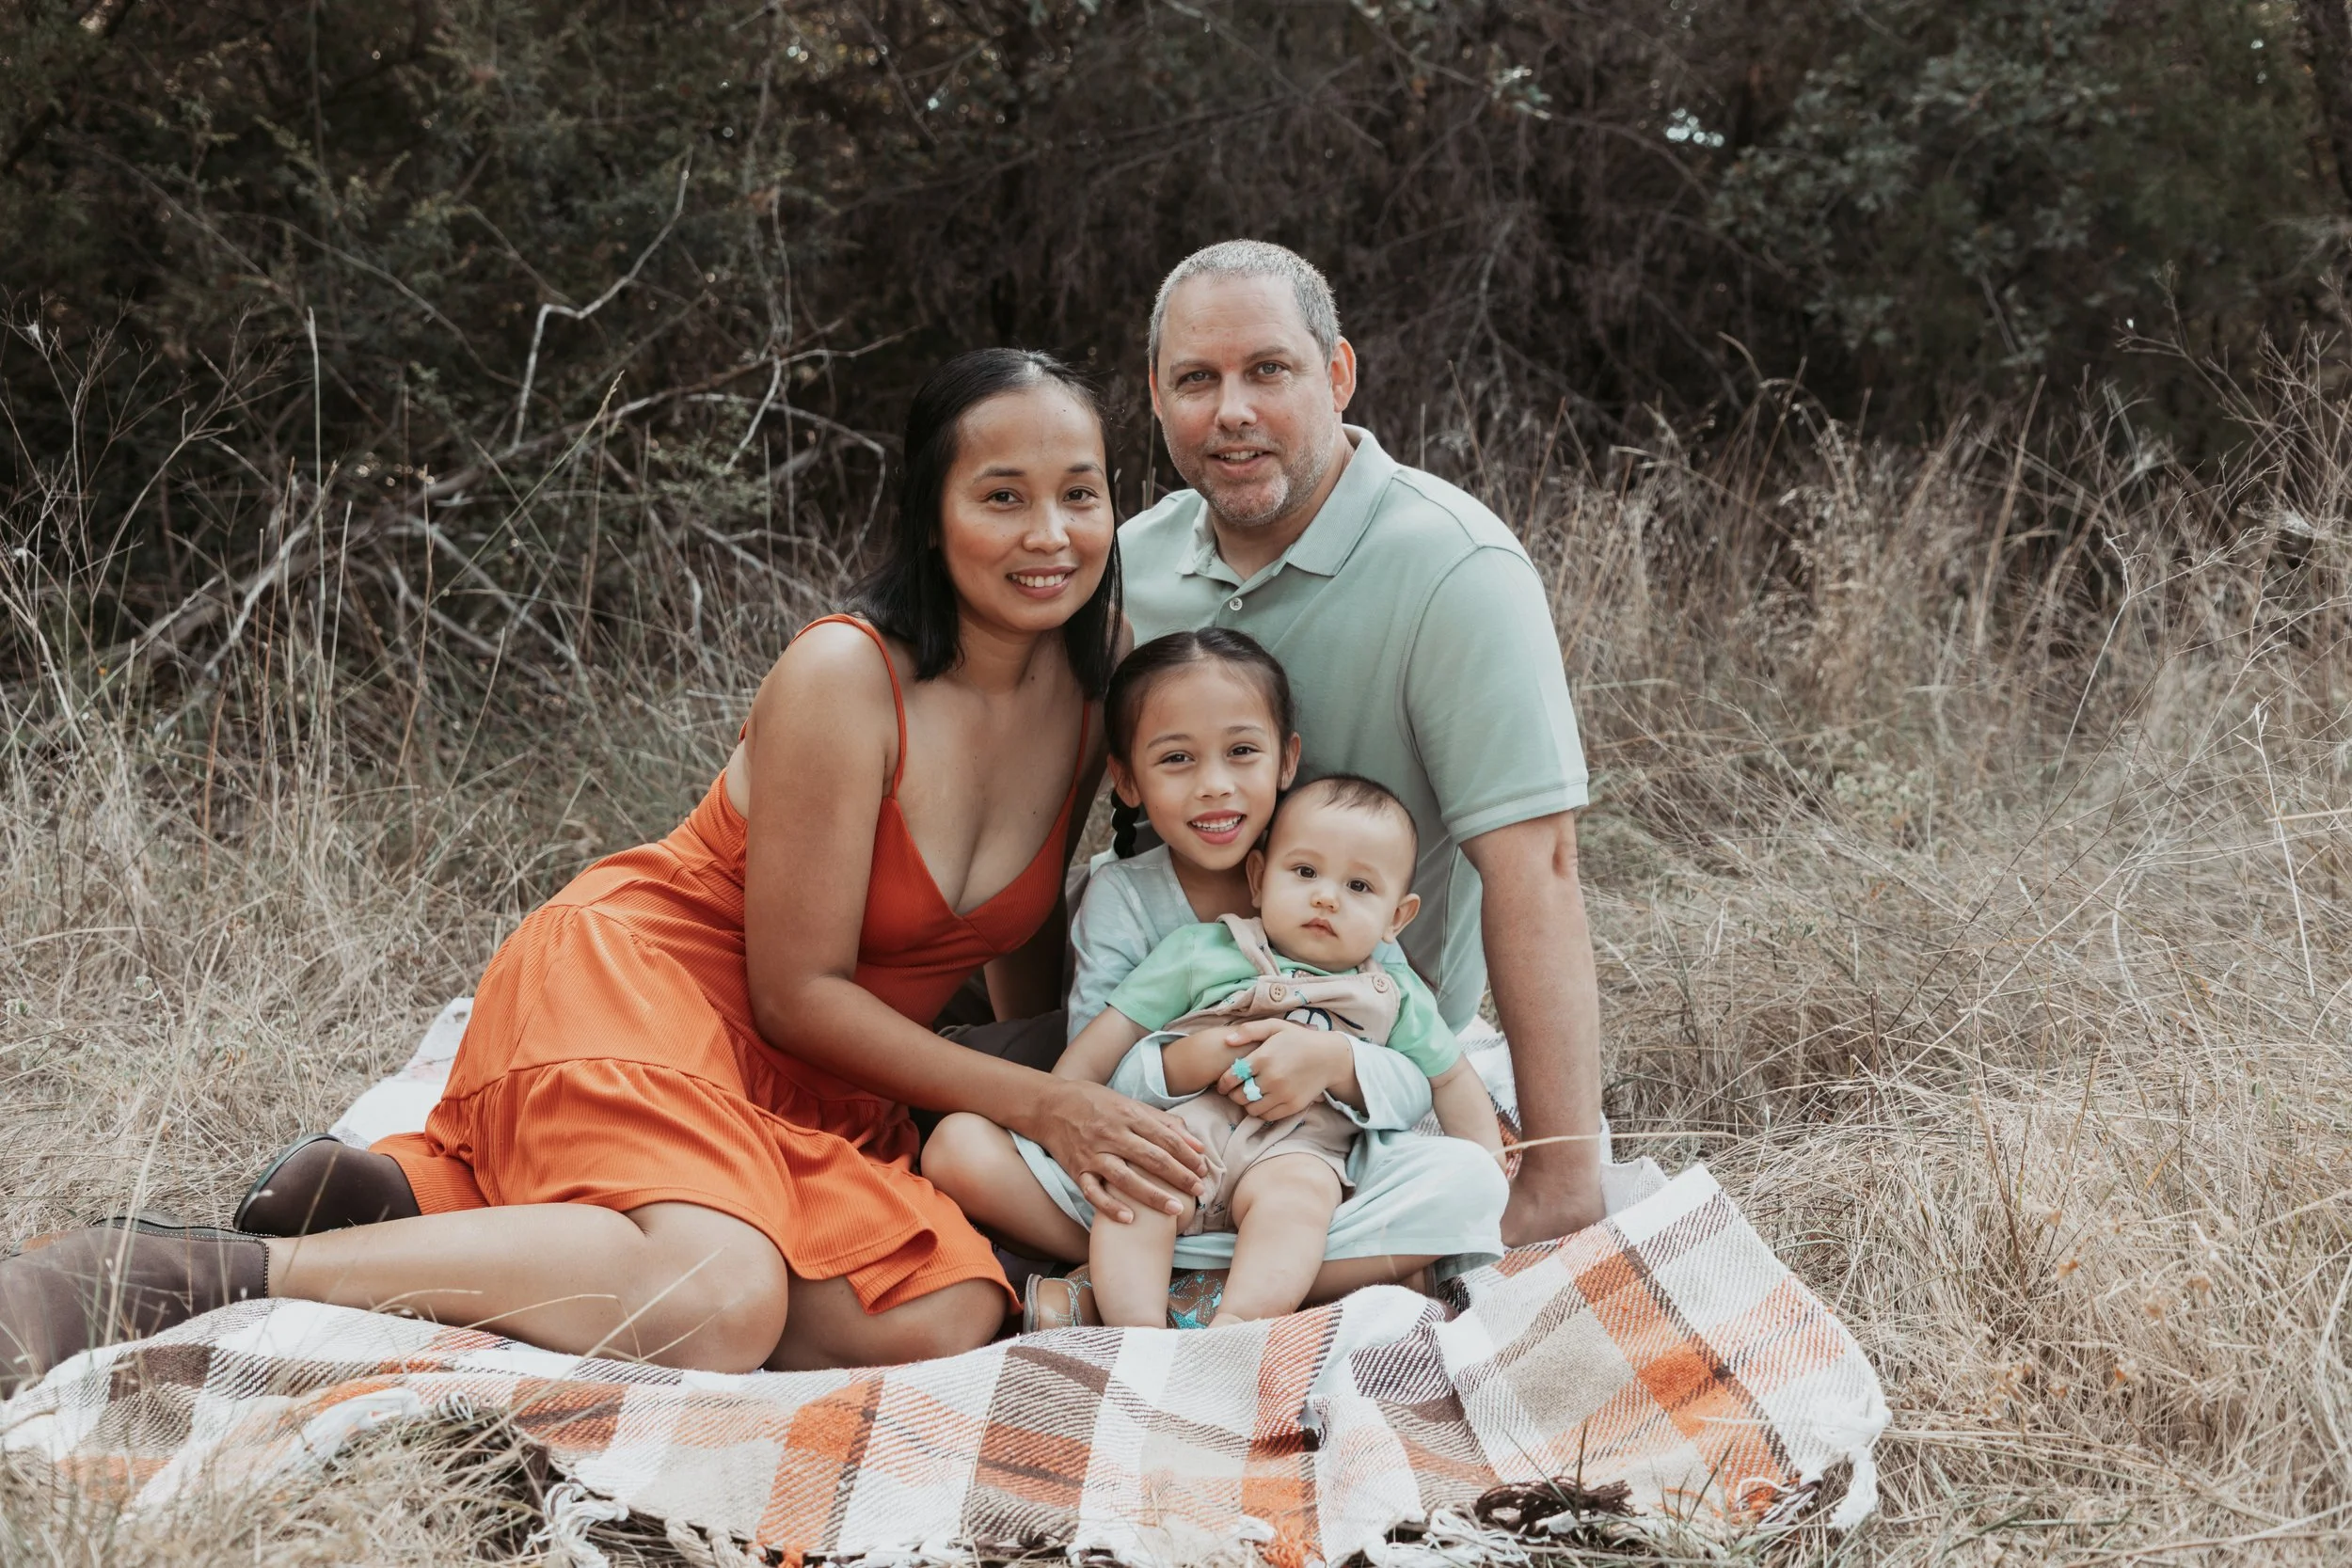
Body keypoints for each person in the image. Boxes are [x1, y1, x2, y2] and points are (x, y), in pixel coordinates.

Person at [0, 348, 1214, 1396]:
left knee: (942, 1311)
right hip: (655, 982)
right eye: (1002, 496)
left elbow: (1016, 947)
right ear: (931, 509)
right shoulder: (848, 677)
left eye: (1080, 495)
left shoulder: (1095, 672)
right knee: (724, 1302)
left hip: (812, 1084)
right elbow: (795, 990)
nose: (1049, 537)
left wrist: (1066, 1092)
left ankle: (433, 1213)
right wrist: (1039, 1103)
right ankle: (196, 1270)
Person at [1120, 240, 1607, 1244]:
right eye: (1196, 380)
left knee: (1437, 1204)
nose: (1232, 411)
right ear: (1158, 399)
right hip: (1167, 1027)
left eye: (1268, 370)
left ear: (1336, 374)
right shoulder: (1130, 566)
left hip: (1366, 1045)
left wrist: (1561, 1183)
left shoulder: (1454, 567)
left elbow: (1538, 866)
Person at [922, 629, 1507, 1325]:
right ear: (1128, 778)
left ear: (1286, 758)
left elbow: (1425, 1075)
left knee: (1466, 1183)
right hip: (1163, 1149)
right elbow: (1087, 1079)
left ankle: (1141, 1291)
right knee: (957, 1149)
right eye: (1177, 758)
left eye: (1241, 752)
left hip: (1299, 1169)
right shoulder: (1152, 918)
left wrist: (1334, 1061)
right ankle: (1191, 1303)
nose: (1215, 785)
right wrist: (1186, 1061)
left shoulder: (1351, 903)